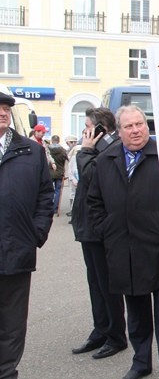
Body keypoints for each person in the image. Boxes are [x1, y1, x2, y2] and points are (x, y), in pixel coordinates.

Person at [88, 105, 159, 379]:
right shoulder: (105, 160)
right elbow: (94, 202)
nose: (136, 130)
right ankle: (141, 362)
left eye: (140, 124)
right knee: (136, 313)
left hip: (156, 246)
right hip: (121, 248)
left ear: (147, 126)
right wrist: (107, 229)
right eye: (129, 126)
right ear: (119, 131)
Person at [0, 92, 54, 379]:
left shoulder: (31, 151)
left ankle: (6, 372)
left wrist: (36, 233)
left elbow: (45, 194)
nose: (2, 113)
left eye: (6, 108)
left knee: (12, 321)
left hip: (17, 249)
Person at [70, 107, 128, 361]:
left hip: (101, 229)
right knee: (95, 283)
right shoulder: (98, 147)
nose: (84, 132)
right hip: (88, 228)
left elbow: (91, 177)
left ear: (101, 128)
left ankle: (116, 335)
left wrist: (85, 151)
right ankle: (101, 329)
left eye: (88, 127)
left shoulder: (110, 148)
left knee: (107, 285)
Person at [48, 135, 68, 215]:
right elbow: (66, 161)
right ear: (59, 141)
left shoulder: (48, 150)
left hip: (49, 173)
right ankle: (55, 208)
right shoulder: (63, 150)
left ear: (52, 140)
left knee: (48, 191)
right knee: (58, 191)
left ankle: (48, 207)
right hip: (60, 173)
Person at [65, 135, 79, 216]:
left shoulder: (77, 149)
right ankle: (72, 210)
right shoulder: (68, 151)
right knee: (72, 194)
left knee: (75, 194)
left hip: (76, 176)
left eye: (70, 142)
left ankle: (75, 211)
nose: (69, 144)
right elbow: (69, 166)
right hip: (72, 176)